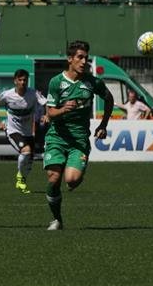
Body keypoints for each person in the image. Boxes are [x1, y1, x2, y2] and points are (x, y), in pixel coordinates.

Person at [43, 40, 113, 230]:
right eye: (80, 57)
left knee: (72, 180)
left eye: (86, 58)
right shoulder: (57, 82)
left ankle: (75, 172)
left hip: (79, 139)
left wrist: (103, 124)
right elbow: (50, 113)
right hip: (56, 137)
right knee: (53, 178)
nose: (84, 62)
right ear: (70, 59)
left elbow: (109, 98)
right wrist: (64, 109)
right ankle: (57, 219)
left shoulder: (92, 82)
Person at [0, 69, 47, 194]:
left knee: (29, 162)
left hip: (28, 133)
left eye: (25, 80)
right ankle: (19, 177)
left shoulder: (33, 93)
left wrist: (46, 115)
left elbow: (46, 103)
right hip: (12, 131)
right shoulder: (7, 95)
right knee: (26, 150)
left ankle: (22, 180)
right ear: (15, 81)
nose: (22, 82)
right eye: (20, 80)